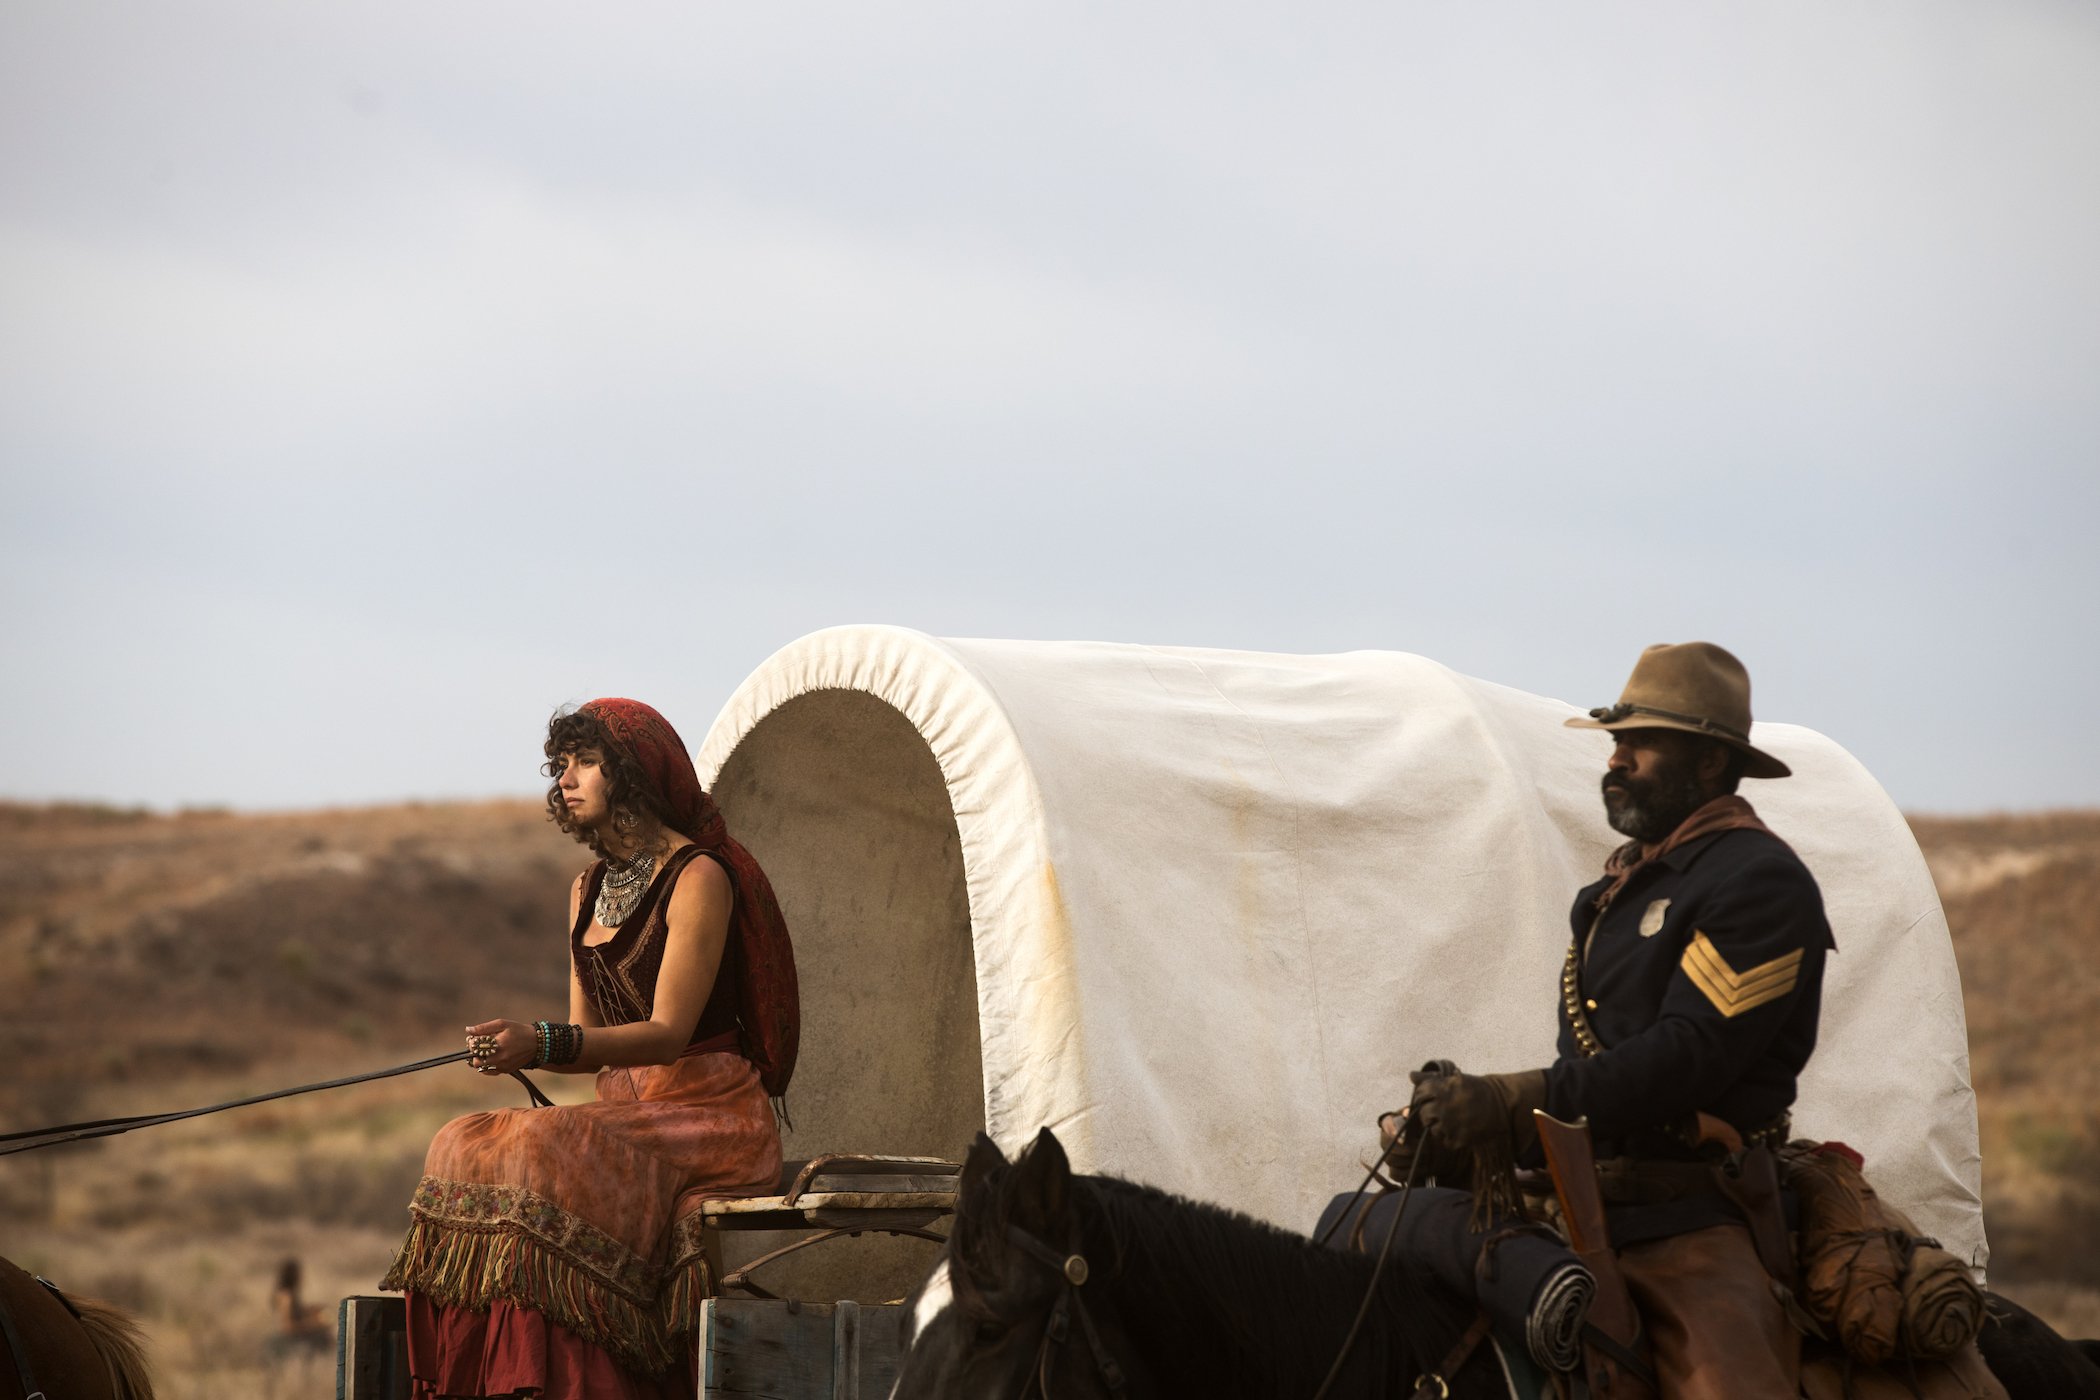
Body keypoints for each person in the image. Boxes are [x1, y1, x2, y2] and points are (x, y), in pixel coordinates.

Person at [1398, 642, 1832, 1399]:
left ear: (1708, 762)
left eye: (1642, 743)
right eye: (1616, 742)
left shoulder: (1759, 881)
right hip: (1580, 1198)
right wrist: (1473, 1135)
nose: (1617, 759)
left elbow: (1688, 1057)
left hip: (1690, 1216)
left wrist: (1513, 1101)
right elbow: (1596, 1066)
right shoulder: (1619, 886)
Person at [383, 697, 799, 1400]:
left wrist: (540, 1042)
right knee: (459, 1140)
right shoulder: (585, 890)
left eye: (585, 762)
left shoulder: (698, 876)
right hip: (628, 1110)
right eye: (561, 765)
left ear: (631, 773)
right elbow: (590, 1044)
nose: (565, 779)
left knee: (541, 1146)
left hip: (708, 1112)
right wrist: (522, 1049)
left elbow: (667, 1035)